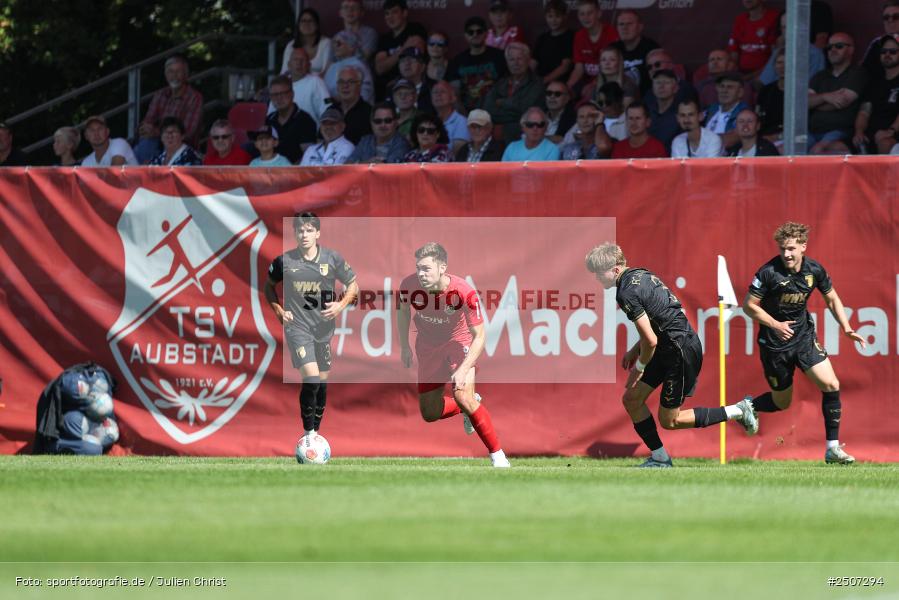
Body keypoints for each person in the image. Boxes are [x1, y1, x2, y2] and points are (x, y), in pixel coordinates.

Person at [585, 243, 758, 468]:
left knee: (670, 420)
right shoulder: (642, 275)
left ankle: (738, 410)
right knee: (632, 399)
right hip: (671, 345)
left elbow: (651, 340)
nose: (597, 278)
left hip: (679, 350)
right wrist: (634, 349)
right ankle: (659, 458)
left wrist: (639, 367)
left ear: (616, 270)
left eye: (599, 273)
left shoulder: (626, 291)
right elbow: (660, 322)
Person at [741, 222, 866, 464]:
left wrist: (847, 327)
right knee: (781, 403)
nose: (786, 254)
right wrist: (776, 325)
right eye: (782, 249)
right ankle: (748, 405)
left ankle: (832, 449)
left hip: (804, 339)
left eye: (791, 248)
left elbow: (832, 298)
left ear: (803, 247)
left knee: (831, 384)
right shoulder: (768, 272)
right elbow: (748, 306)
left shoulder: (814, 270)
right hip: (774, 345)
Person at [397, 242, 511, 468]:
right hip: (428, 345)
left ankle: (498, 456)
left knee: (462, 394)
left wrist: (463, 368)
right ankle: (466, 408)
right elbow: (402, 313)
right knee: (429, 413)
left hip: (458, 343)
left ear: (442, 267)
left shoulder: (463, 291)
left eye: (427, 268)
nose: (421, 273)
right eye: (419, 268)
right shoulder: (408, 285)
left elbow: (479, 336)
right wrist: (404, 346)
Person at [264, 212, 358, 451]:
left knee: (322, 384)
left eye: (308, 230)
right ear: (295, 234)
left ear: (317, 233)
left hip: (324, 330)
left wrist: (340, 305)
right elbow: (269, 287)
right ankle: (308, 435)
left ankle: (315, 432)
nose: (304, 234)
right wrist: (278, 311)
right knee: (312, 378)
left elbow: (353, 285)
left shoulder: (332, 259)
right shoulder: (284, 262)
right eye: (300, 230)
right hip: (298, 328)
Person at [135, 55, 203, 163]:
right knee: (146, 142)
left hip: (182, 145)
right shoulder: (160, 94)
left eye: (178, 71)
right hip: (157, 143)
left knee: (148, 144)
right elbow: (148, 121)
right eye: (170, 72)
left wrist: (157, 132)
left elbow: (188, 132)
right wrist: (146, 128)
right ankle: (146, 175)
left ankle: (149, 174)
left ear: (186, 75)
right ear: (166, 74)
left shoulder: (194, 97)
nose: (174, 76)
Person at [808, 33, 868, 154]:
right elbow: (804, 103)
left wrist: (816, 100)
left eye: (839, 46)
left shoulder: (858, 73)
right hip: (811, 131)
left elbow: (840, 102)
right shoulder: (819, 76)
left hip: (840, 132)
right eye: (829, 47)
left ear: (851, 50)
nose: (833, 50)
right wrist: (826, 97)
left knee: (818, 150)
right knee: (784, 148)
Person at [483, 42, 545, 143]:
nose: (516, 63)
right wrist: (512, 114)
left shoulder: (537, 84)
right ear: (507, 62)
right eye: (512, 59)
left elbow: (525, 109)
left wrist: (502, 103)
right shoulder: (500, 83)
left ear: (528, 60)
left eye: (519, 59)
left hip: (522, 138)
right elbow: (487, 109)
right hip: (497, 140)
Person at [446, 16, 507, 113]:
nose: (475, 34)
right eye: (471, 32)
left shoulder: (500, 56)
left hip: (496, 113)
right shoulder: (457, 61)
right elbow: (454, 94)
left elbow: (509, 87)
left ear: (486, 34)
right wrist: (464, 117)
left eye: (479, 31)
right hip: (467, 115)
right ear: (465, 35)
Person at [852, 34, 899, 154]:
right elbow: (864, 111)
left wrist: (891, 131)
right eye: (884, 51)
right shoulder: (874, 82)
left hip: (893, 137)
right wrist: (859, 132)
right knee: (837, 148)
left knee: (885, 143)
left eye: (893, 51)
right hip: (871, 136)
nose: (887, 54)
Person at [374, 0, 428, 99]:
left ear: (404, 13)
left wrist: (390, 59)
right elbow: (380, 68)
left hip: (413, 85)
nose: (390, 17)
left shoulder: (415, 29)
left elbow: (415, 59)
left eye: (394, 12)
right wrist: (404, 48)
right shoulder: (384, 39)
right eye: (387, 14)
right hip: (389, 88)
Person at [567, 0, 619, 93]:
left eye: (590, 13)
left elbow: (612, 68)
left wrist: (593, 85)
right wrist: (568, 86)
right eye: (582, 14)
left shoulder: (611, 33)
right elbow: (579, 68)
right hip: (586, 82)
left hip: (608, 80)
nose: (586, 17)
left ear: (599, 14)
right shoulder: (579, 36)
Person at [265, 75, 317, 164]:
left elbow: (308, 156)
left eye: (283, 93)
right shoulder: (269, 119)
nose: (279, 98)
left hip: (296, 173)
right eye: (275, 95)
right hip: (271, 171)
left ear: (292, 94)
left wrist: (289, 171)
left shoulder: (305, 120)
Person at [610, 10, 659, 94]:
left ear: (640, 27)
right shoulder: (612, 49)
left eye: (629, 24)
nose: (624, 28)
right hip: (617, 98)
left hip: (645, 98)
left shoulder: (651, 48)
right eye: (621, 24)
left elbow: (659, 78)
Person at [728, 0, 779, 80]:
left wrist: (751, 77)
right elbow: (734, 51)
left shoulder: (773, 17)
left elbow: (775, 55)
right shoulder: (740, 19)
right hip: (742, 73)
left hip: (765, 72)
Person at [323, 30, 375, 104]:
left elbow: (365, 94)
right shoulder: (332, 67)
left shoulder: (359, 65)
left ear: (351, 47)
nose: (335, 46)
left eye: (339, 43)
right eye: (334, 43)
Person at [284, 47, 331, 126]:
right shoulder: (282, 84)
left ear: (309, 65)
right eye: (295, 59)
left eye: (302, 60)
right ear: (289, 65)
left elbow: (328, 108)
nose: (299, 63)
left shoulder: (316, 82)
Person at [704, 72, 751, 149]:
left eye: (730, 87)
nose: (724, 90)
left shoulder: (745, 114)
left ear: (740, 92)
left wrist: (701, 139)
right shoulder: (710, 109)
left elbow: (729, 141)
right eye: (722, 86)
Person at [281, 8, 332, 77]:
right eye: (303, 21)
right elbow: (284, 72)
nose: (306, 24)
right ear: (298, 25)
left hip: (318, 84)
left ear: (317, 25)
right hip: (294, 84)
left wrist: (308, 83)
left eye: (310, 21)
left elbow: (327, 72)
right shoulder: (291, 45)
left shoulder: (326, 43)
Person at [534, 0, 574, 85]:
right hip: (539, 80)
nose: (553, 20)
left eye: (557, 16)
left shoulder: (571, 36)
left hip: (560, 82)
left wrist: (544, 80)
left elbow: (565, 67)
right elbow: (533, 62)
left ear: (565, 16)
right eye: (550, 16)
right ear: (545, 17)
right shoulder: (542, 38)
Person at [333, 66, 373, 145]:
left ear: (360, 85)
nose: (345, 86)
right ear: (337, 86)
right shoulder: (331, 110)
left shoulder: (370, 113)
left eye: (350, 82)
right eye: (341, 82)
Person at [862, 1, 899, 79]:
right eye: (886, 17)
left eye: (896, 17)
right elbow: (864, 72)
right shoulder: (877, 44)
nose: (890, 20)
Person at [645, 69, 681, 150]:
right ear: (652, 88)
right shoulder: (646, 111)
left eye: (666, 82)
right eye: (658, 83)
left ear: (676, 88)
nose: (661, 86)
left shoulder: (681, 113)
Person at [431, 81, 470, 154]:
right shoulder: (429, 122)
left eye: (443, 91)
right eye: (435, 92)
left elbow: (458, 152)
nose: (438, 95)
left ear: (453, 98)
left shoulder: (461, 122)